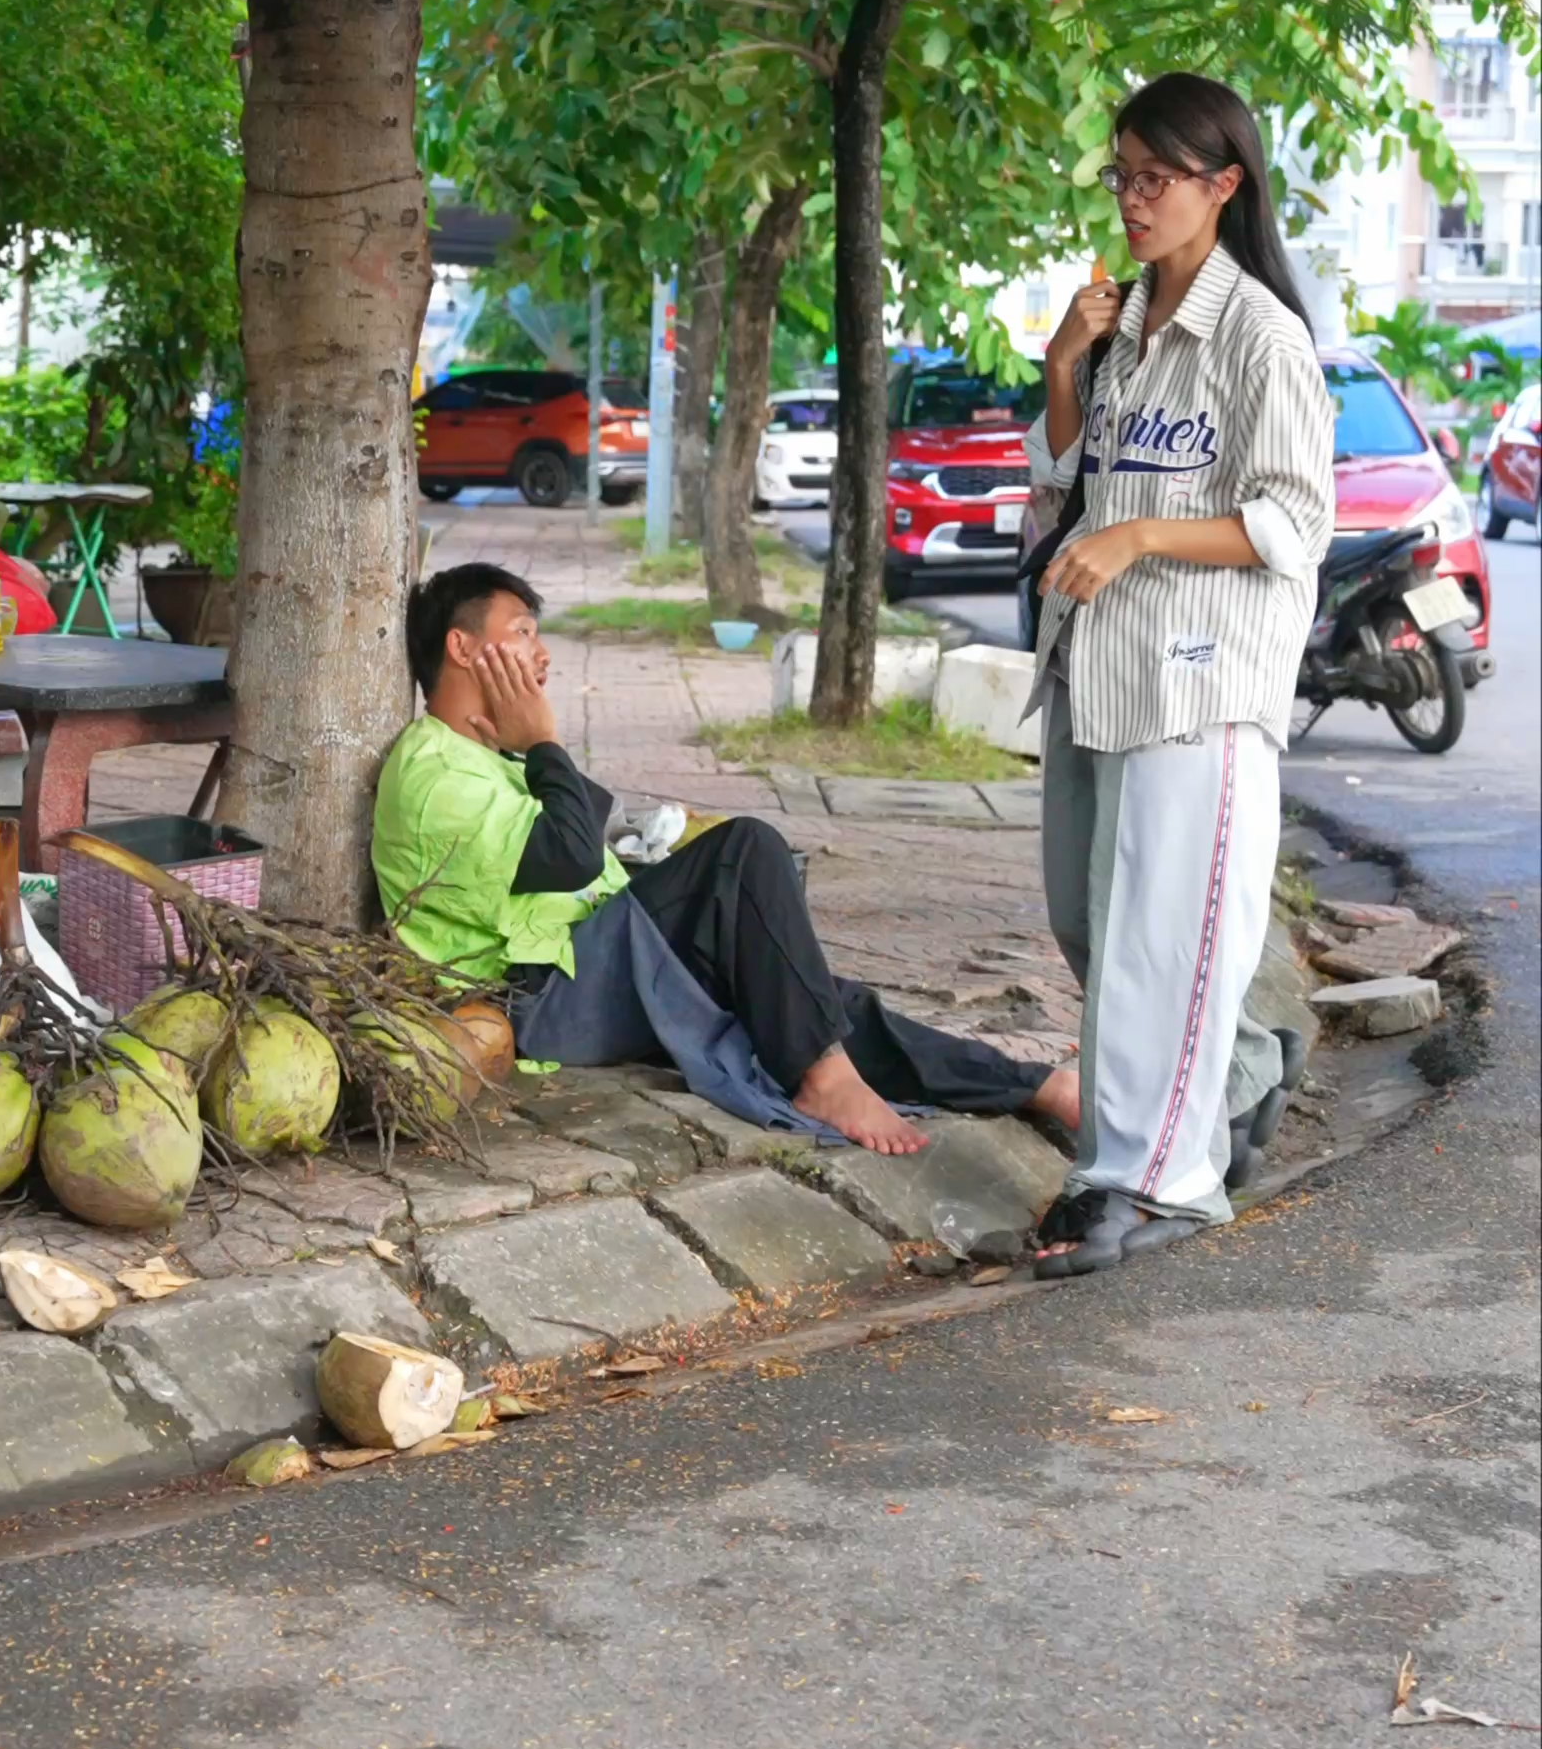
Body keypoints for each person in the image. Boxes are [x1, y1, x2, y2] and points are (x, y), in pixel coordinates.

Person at [371, 564, 1079, 1156]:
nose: (542, 654)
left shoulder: (486, 752)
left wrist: (528, 750)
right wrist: (546, 743)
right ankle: (826, 1076)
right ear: (464, 650)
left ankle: (1033, 1085)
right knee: (744, 853)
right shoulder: (434, 773)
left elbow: (582, 822)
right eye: (522, 634)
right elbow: (571, 858)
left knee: (806, 994)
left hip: (589, 953)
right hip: (542, 997)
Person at [1025, 73, 1335, 1278]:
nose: (1134, 198)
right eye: (1122, 173)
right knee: (1088, 918)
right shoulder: (1124, 331)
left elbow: (1294, 524)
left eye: (1158, 177)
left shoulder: (1259, 338)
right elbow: (1065, 500)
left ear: (1224, 186)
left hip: (1198, 677)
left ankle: (1148, 1182)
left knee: (1161, 933)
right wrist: (1064, 367)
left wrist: (1144, 536)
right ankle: (1242, 1069)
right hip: (1097, 664)